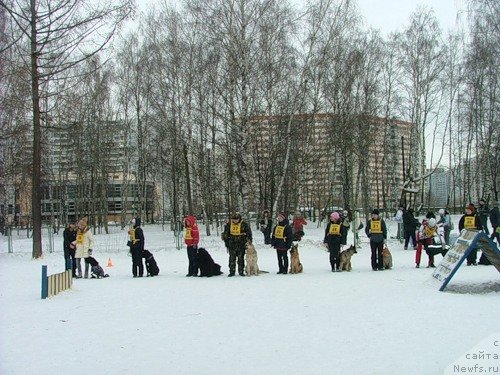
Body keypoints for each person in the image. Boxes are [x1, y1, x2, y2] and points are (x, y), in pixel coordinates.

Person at [222, 212, 252, 277]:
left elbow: (249, 234)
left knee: (241, 259)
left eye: (236, 219)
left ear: (239, 219)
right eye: (234, 219)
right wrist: (226, 243)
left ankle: (241, 271)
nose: (235, 220)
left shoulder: (244, 224)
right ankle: (232, 272)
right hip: (232, 244)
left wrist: (249, 243)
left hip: (241, 244)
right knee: (232, 259)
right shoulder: (229, 224)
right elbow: (225, 234)